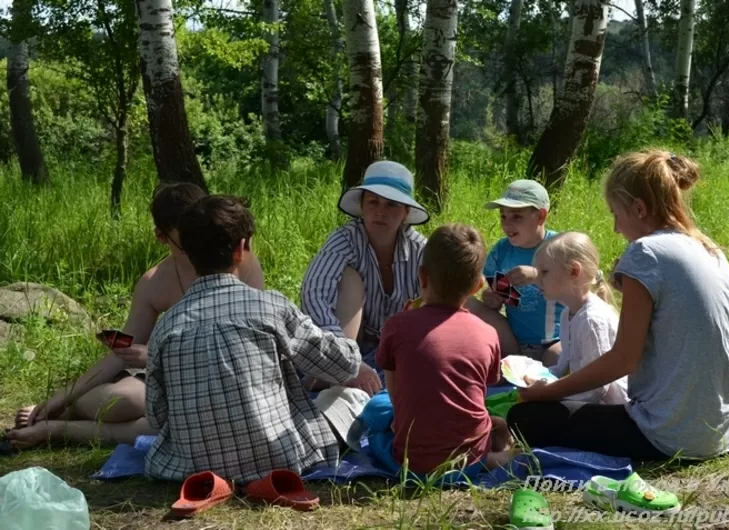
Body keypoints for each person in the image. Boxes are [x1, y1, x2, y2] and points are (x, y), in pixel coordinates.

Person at [506, 150, 729, 461]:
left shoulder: (645, 252)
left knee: (524, 418)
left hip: (674, 436)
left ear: (638, 209)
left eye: (616, 215)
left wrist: (549, 392)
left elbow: (623, 360)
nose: (615, 229)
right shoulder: (708, 247)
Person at [9, 183, 265, 448]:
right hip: (166, 378)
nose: (197, 246)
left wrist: (154, 355)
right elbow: (122, 351)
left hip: (219, 374)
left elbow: (247, 335)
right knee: (123, 401)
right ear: (162, 237)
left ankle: (60, 428)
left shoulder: (240, 263)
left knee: (162, 427)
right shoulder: (154, 282)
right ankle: (64, 410)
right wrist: (60, 398)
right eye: (187, 240)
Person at [145, 195, 367, 483]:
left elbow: (156, 413)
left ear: (187, 251)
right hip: (280, 457)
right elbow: (344, 366)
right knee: (349, 397)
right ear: (242, 248)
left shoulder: (167, 325)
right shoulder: (269, 307)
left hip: (192, 468)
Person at [375, 224, 517, 475]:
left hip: (411, 461)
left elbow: (394, 391)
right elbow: (481, 389)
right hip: (470, 456)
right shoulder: (487, 333)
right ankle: (495, 457)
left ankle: (487, 455)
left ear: (422, 277)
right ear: (477, 287)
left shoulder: (396, 325)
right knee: (492, 420)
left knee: (374, 412)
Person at [300, 161, 429, 395]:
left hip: (403, 344)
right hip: (352, 339)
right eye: (373, 202)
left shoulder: (420, 249)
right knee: (350, 280)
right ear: (362, 206)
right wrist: (342, 354)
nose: (381, 211)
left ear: (405, 213)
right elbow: (314, 293)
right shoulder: (345, 239)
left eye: (391, 204)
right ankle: (339, 371)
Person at [467, 180, 565, 366]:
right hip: (514, 341)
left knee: (555, 359)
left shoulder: (558, 246)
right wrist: (491, 298)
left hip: (555, 341)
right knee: (468, 302)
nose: (507, 225)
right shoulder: (501, 251)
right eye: (503, 216)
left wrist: (538, 275)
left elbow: (579, 285)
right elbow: (493, 289)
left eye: (517, 217)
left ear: (540, 216)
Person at [534, 232, 628, 405]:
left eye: (544, 272)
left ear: (573, 271)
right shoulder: (567, 314)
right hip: (585, 398)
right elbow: (564, 366)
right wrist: (537, 378)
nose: (537, 280)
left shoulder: (592, 320)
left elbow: (598, 386)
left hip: (611, 407)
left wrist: (552, 395)